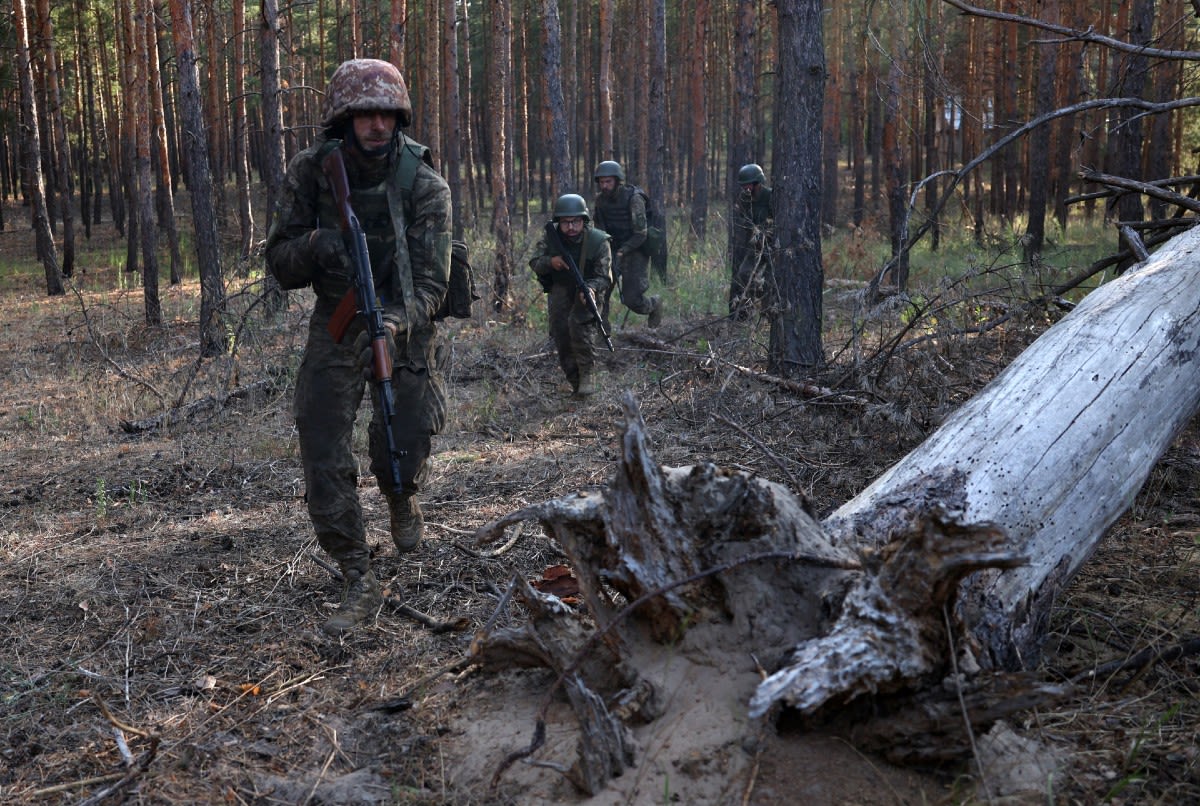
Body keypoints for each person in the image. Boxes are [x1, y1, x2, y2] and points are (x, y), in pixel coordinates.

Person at [264, 59, 452, 634]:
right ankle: (355, 570)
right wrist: (319, 244)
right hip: (338, 318)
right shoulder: (314, 172)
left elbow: (433, 286)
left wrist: (395, 323)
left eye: (386, 114)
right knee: (321, 441)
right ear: (343, 119)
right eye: (364, 113)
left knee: (407, 429)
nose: (376, 125)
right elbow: (279, 260)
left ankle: (401, 494)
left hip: (404, 318)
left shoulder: (424, 184)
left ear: (400, 117)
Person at [530, 194, 613, 397]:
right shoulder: (551, 238)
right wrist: (551, 262)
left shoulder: (598, 241)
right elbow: (535, 263)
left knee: (581, 329)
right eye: (565, 222)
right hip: (560, 289)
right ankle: (574, 380)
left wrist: (591, 289)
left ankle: (587, 376)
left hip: (588, 290)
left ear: (584, 221)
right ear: (559, 222)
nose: (571, 227)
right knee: (561, 334)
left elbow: (605, 277)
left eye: (575, 221)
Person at [591, 161, 663, 329]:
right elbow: (599, 228)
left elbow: (641, 234)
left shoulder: (634, 198)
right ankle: (603, 332)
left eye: (608, 181)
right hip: (612, 249)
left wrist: (623, 250)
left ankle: (654, 305)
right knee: (601, 292)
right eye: (601, 182)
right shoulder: (600, 201)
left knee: (632, 299)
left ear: (617, 181)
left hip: (635, 248)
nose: (605, 186)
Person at [729, 162, 776, 321]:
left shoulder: (770, 196)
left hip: (771, 246)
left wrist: (767, 233)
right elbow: (743, 219)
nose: (746, 189)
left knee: (770, 281)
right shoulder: (744, 199)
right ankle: (746, 313)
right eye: (743, 186)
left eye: (748, 185)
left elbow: (777, 222)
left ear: (757, 183)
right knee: (743, 275)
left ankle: (769, 316)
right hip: (755, 246)